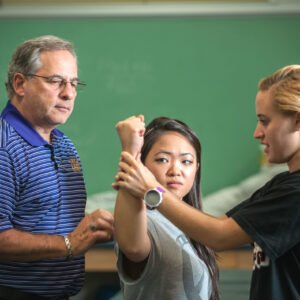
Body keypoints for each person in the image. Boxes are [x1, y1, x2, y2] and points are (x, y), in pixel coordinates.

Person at [114, 65, 300, 300]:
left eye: (264, 121)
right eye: (162, 159)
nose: (257, 133)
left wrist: (152, 189)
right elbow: (217, 226)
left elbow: (219, 234)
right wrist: (131, 155)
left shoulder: (294, 192)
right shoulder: (281, 184)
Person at [0, 35, 114, 300]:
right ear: (20, 84)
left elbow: (53, 218)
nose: (69, 93)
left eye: (74, 83)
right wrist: (68, 244)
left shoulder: (64, 145)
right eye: (55, 81)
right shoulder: (4, 146)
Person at [114, 116, 219, 300]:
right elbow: (133, 248)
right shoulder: (145, 219)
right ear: (143, 165)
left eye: (186, 161)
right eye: (163, 160)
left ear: (196, 169)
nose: (175, 170)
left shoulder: (191, 224)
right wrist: (131, 151)